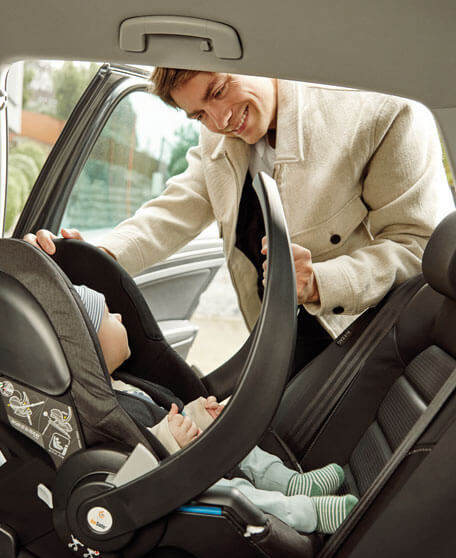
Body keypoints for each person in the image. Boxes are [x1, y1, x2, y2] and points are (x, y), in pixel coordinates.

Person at [26, 69, 454, 374]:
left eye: (218, 90)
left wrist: (321, 281)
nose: (219, 121)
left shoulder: (381, 113)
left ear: (261, 57)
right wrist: (93, 258)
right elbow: (173, 210)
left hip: (360, 339)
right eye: (198, 114)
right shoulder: (218, 134)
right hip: (275, 338)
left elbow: (419, 246)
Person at [74, 282, 358, 534]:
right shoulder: (99, 411)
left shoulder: (122, 384)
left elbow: (166, 413)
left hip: (186, 452)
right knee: (230, 493)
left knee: (237, 442)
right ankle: (305, 512)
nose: (120, 316)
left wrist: (198, 414)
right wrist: (171, 437)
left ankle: (291, 482)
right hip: (171, 481)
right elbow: (126, 460)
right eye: (109, 315)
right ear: (89, 345)